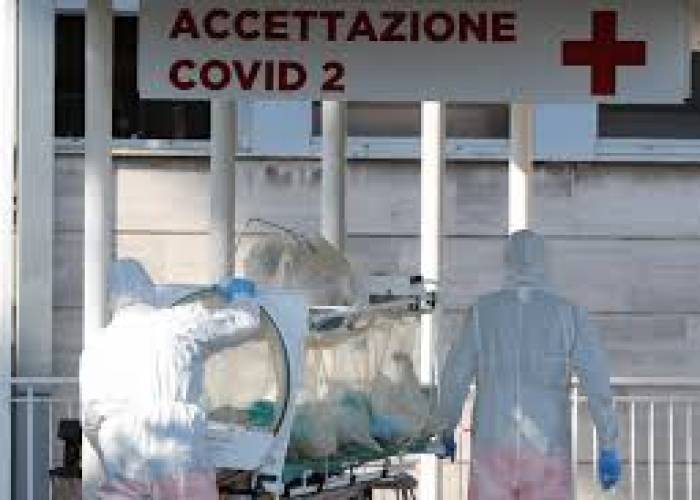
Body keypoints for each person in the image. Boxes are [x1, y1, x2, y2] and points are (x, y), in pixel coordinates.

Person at [438, 230, 621, 500]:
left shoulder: (482, 312)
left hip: (492, 444)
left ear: (507, 260)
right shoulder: (567, 313)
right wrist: (607, 443)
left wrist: (445, 426)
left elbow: (456, 375)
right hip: (547, 449)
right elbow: (596, 380)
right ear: (545, 261)